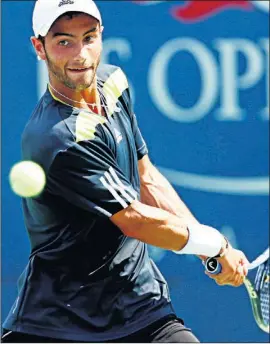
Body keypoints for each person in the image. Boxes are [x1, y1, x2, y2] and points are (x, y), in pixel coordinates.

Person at [2, 0, 249, 342]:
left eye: (88, 38)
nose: (80, 55)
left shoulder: (113, 82)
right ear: (39, 47)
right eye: (63, 42)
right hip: (58, 323)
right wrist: (214, 242)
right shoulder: (58, 137)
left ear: (101, 35)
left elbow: (146, 176)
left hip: (139, 305)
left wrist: (207, 247)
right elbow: (133, 218)